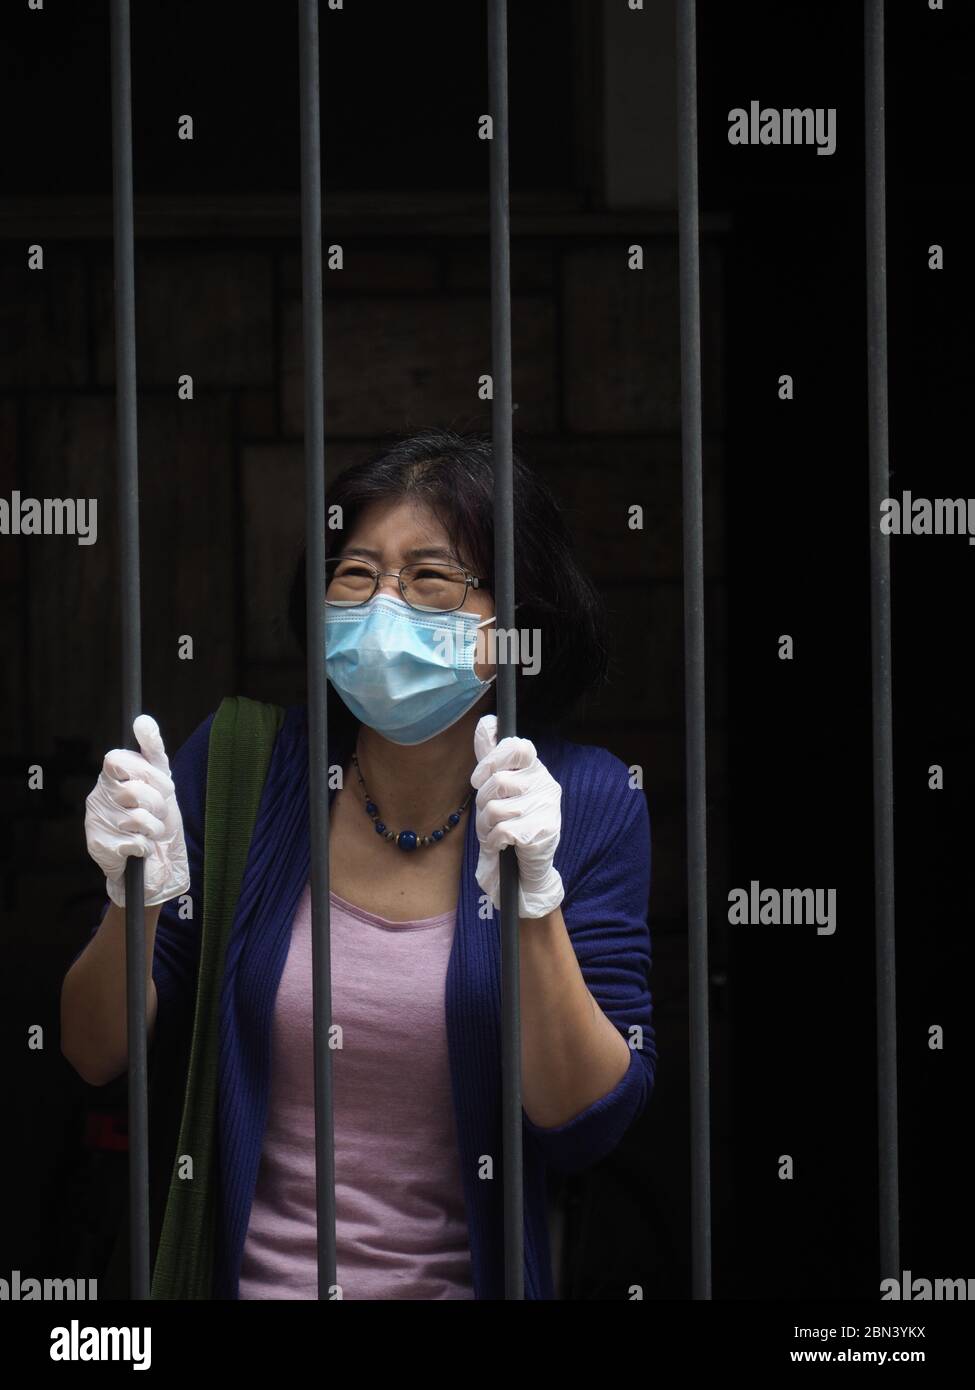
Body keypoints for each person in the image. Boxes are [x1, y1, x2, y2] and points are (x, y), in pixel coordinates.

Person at [60, 427, 657, 1300]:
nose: (383, 608)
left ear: (517, 621)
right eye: (355, 573)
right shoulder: (241, 768)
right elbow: (91, 1052)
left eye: (428, 578)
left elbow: (581, 1121)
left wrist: (535, 901)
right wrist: (131, 896)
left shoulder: (586, 800)